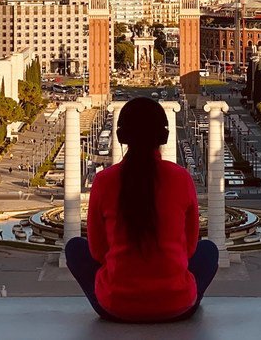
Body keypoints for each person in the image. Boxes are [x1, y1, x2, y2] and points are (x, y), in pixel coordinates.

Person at [64, 97, 219, 323]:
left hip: (115, 307)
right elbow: (190, 248)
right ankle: (179, 295)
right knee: (209, 250)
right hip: (177, 306)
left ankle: (119, 292)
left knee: (75, 248)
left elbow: (97, 252)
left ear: (120, 137)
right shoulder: (181, 178)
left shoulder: (104, 181)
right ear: (164, 137)